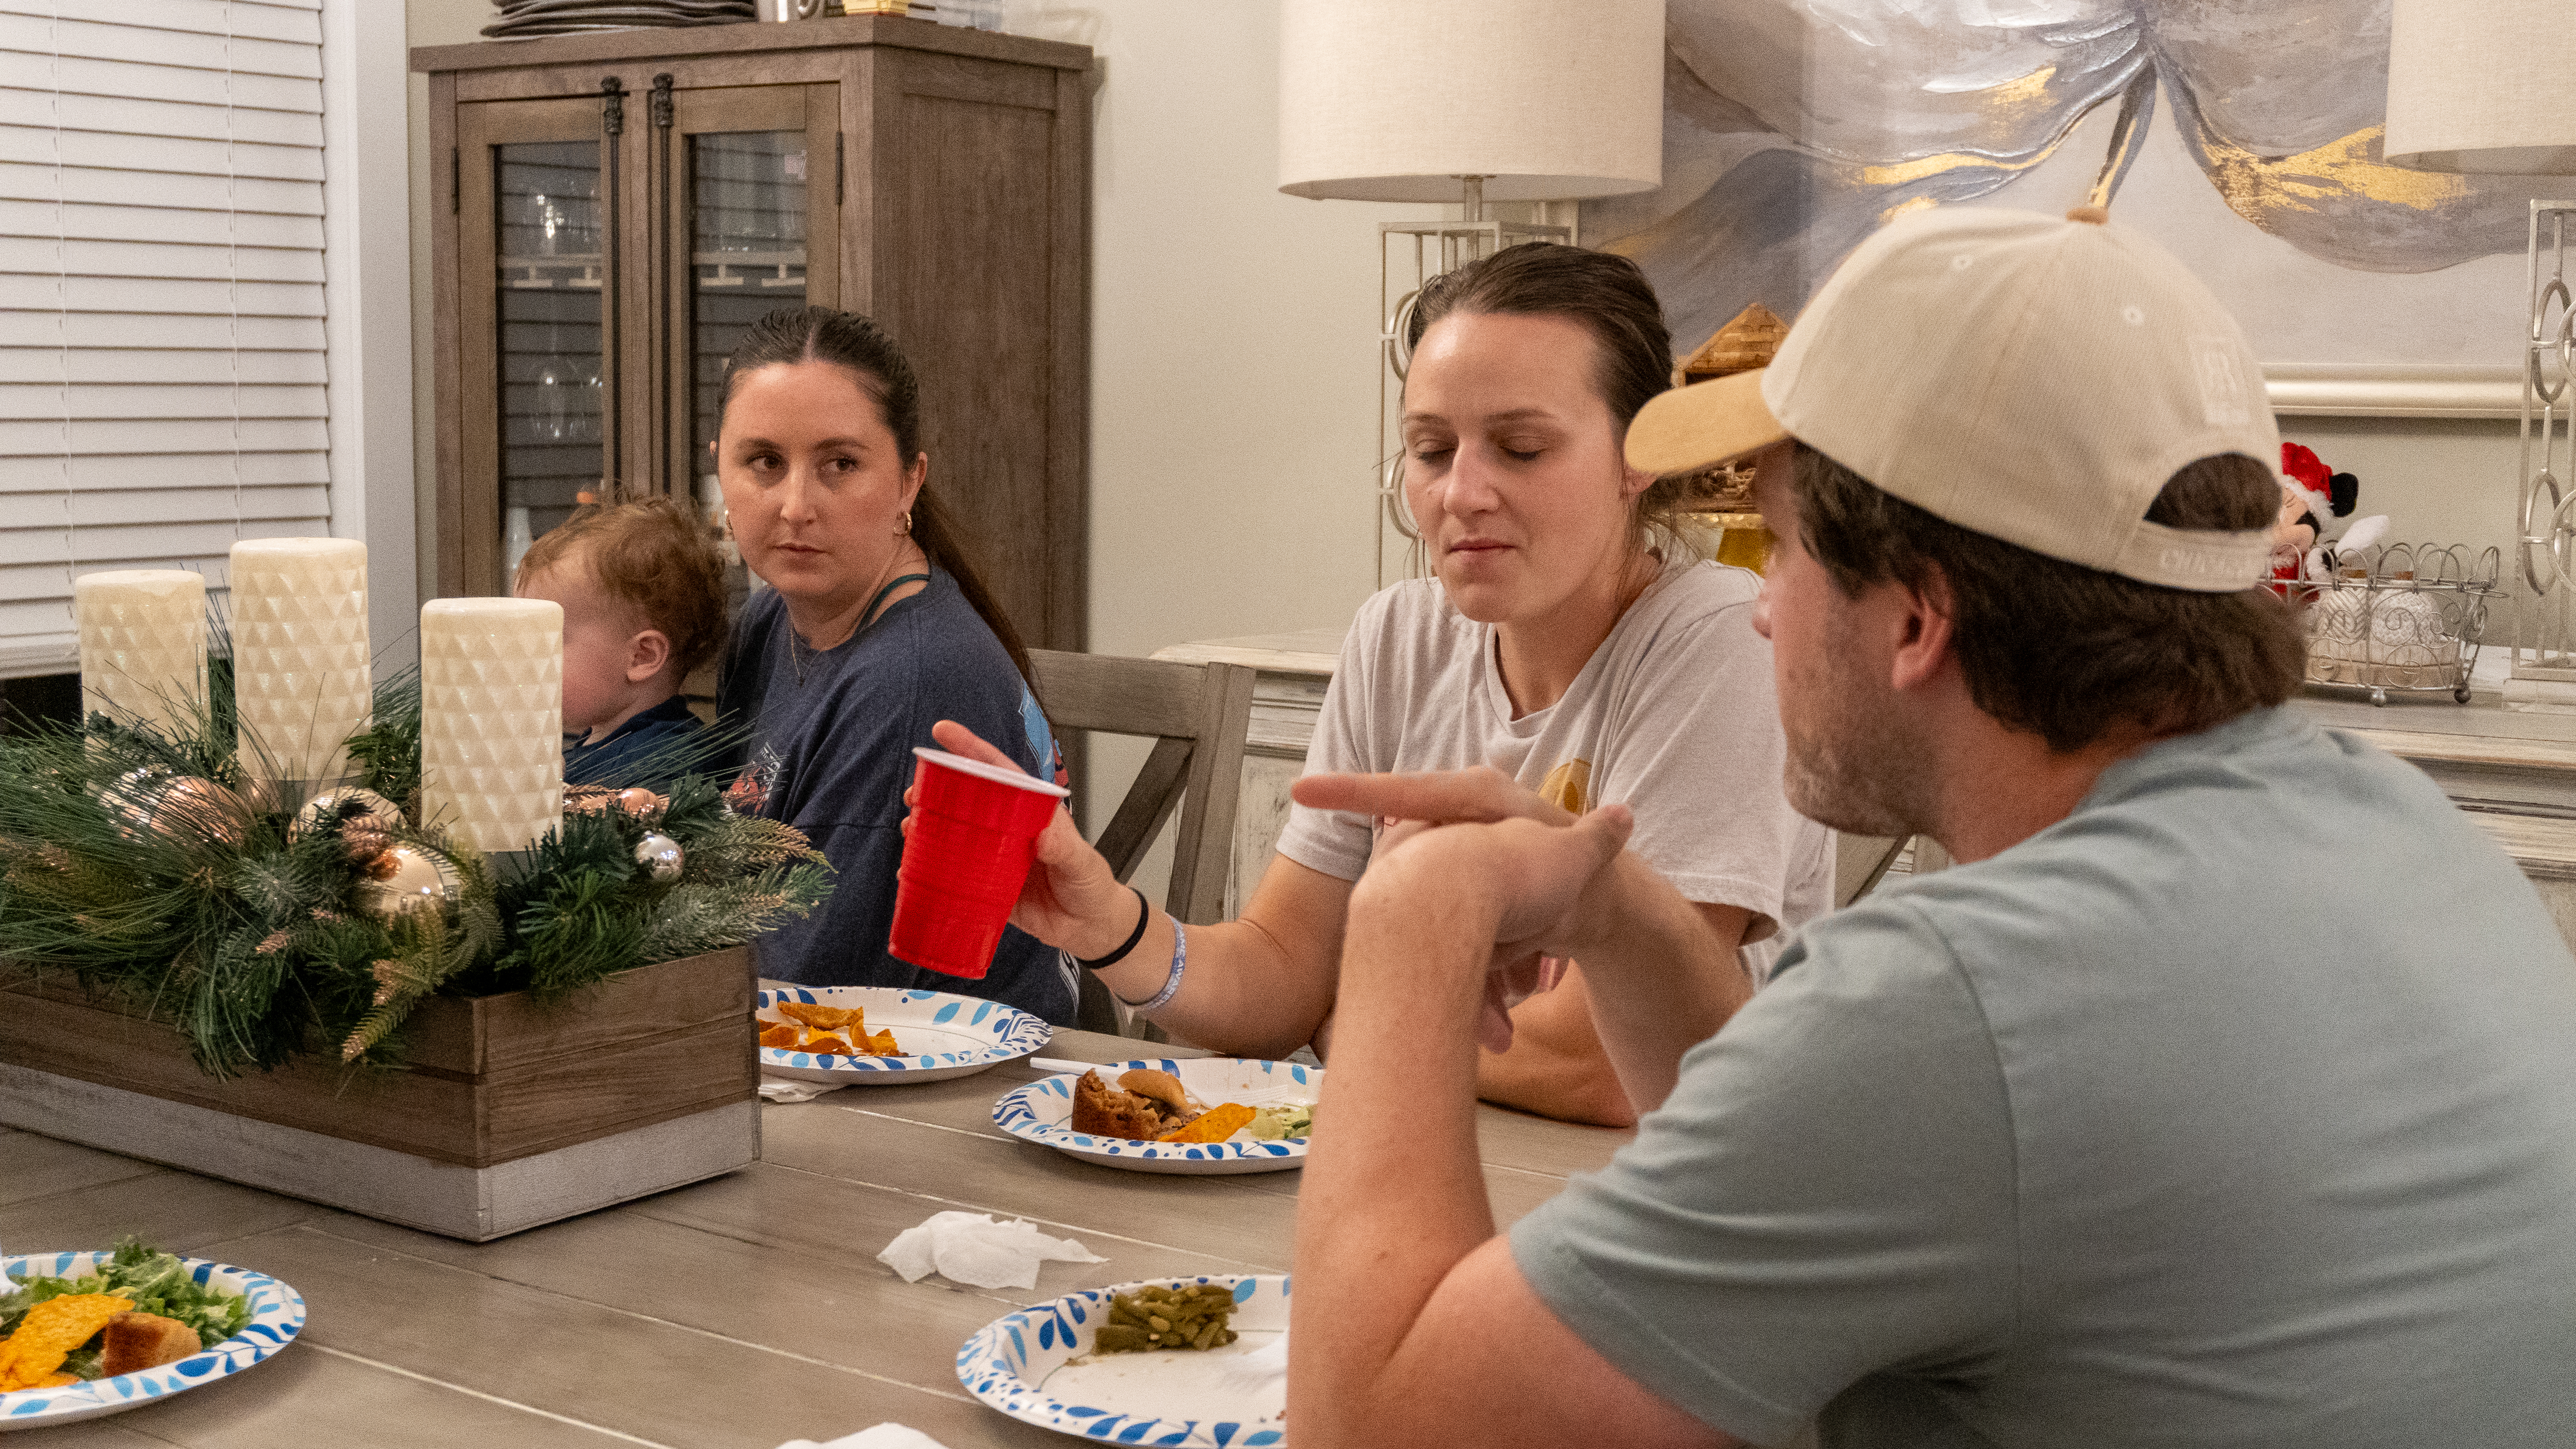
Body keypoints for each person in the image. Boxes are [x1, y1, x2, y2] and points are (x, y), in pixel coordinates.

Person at [1283, 206, 2576, 1447]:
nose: (1758, 615)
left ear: (1915, 617)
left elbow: (1371, 1426)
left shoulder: (1960, 1000)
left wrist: (1411, 917)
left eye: (1775, 553)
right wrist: (1617, 917)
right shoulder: (2402, 826)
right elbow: (1813, 1148)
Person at [930, 243, 1832, 1125]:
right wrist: (1112, 924)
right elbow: (1284, 970)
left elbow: (1601, 1062)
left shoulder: (1718, 635)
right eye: (1432, 450)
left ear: (1640, 457)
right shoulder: (1400, 634)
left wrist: (1355, 1010)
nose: (1462, 493)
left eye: (1521, 447)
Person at [714, 305, 1072, 1024]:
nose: (794, 506)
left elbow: (813, 997)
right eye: (764, 463)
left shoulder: (909, 681)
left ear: (910, 482)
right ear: (718, 464)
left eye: (839, 465)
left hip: (942, 1087)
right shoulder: (773, 618)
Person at [513, 495, 723, 792]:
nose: (525, 661)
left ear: (642, 656)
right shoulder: (601, 739)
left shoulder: (662, 767)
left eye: (546, 642)